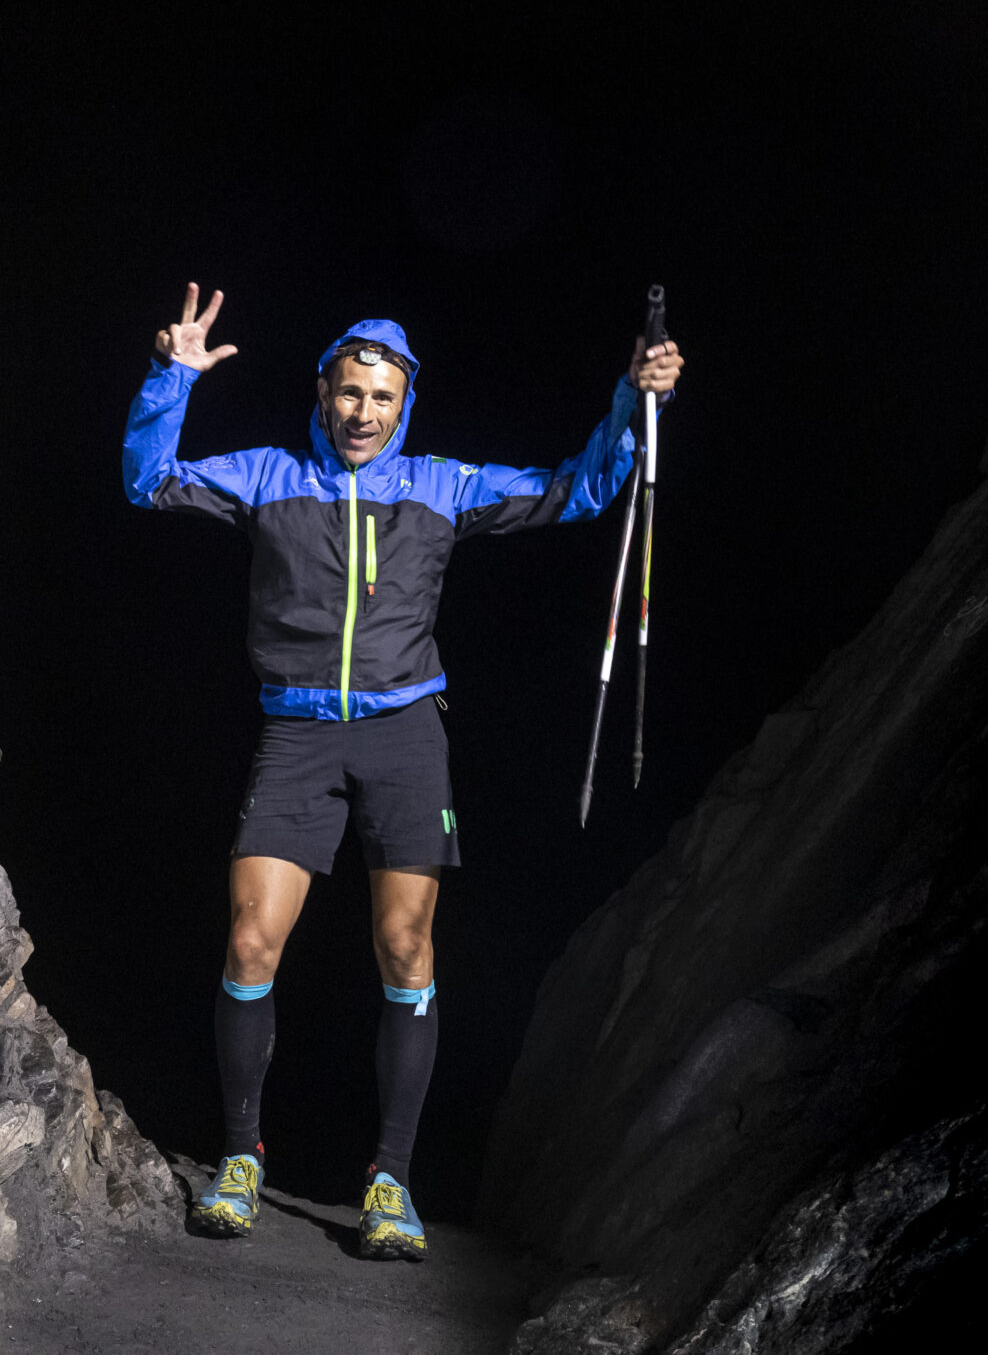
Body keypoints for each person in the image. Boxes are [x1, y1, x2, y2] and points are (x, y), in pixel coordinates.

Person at [122, 284, 684, 1260]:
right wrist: (172, 376)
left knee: (405, 951)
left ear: (404, 401)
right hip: (295, 734)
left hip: (403, 735)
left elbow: (578, 489)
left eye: (380, 398)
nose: (361, 413)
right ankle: (241, 1155)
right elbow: (148, 478)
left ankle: (389, 1178)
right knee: (252, 941)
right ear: (322, 390)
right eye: (347, 393)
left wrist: (635, 401)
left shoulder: (441, 484)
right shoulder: (264, 474)